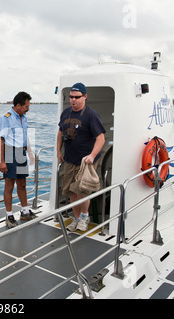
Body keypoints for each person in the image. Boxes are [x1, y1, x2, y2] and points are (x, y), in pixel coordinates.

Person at [57, 83, 105, 232]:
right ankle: (76, 218)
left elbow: (101, 138)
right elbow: (60, 132)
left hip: (86, 162)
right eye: (71, 97)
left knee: (82, 191)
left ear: (85, 97)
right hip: (69, 159)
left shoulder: (91, 115)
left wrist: (92, 155)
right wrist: (58, 151)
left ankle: (85, 217)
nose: (73, 100)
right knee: (71, 191)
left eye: (77, 97)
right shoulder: (65, 113)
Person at [0, 92, 36, 228]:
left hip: (21, 152)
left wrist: (30, 154)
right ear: (18, 105)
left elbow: (25, 136)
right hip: (10, 151)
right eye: (26, 106)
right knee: (9, 185)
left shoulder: (23, 117)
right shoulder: (6, 118)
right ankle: (9, 215)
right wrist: (2, 161)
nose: (28, 109)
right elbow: (1, 140)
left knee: (22, 183)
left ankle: (25, 211)